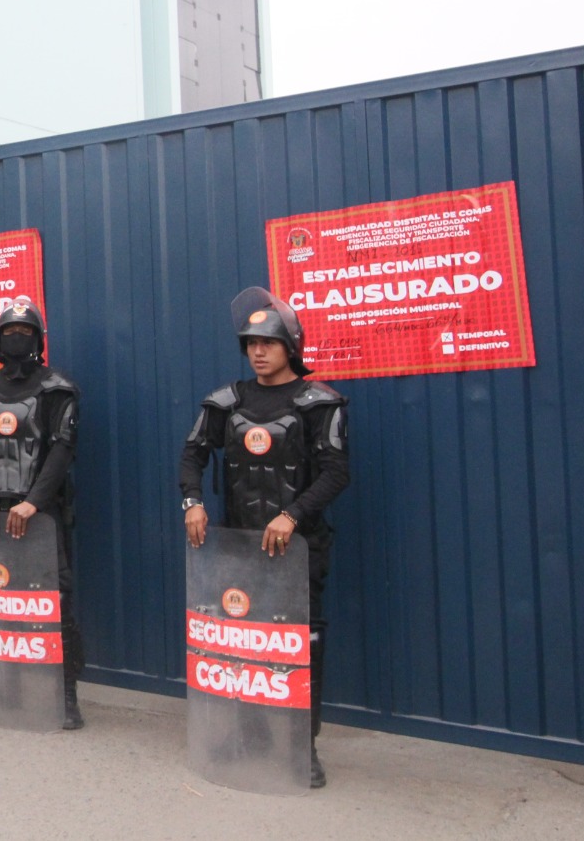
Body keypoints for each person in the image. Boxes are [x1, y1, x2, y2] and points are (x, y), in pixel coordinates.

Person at [179, 287, 349, 789]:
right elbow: (192, 455)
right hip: (238, 547)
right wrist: (193, 502)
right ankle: (247, 737)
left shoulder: (320, 403)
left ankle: (302, 747)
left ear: (290, 346)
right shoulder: (225, 402)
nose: (258, 351)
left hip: (299, 549)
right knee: (244, 646)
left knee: (300, 648)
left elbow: (337, 473)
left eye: (269, 343)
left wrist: (293, 515)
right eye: (251, 342)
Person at [0, 298, 85, 728]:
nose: (17, 339)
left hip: (41, 513)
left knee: (54, 603)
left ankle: (65, 696)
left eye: (25, 332)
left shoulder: (58, 388)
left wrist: (34, 502)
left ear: (38, 340)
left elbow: (62, 450)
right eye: (9, 332)